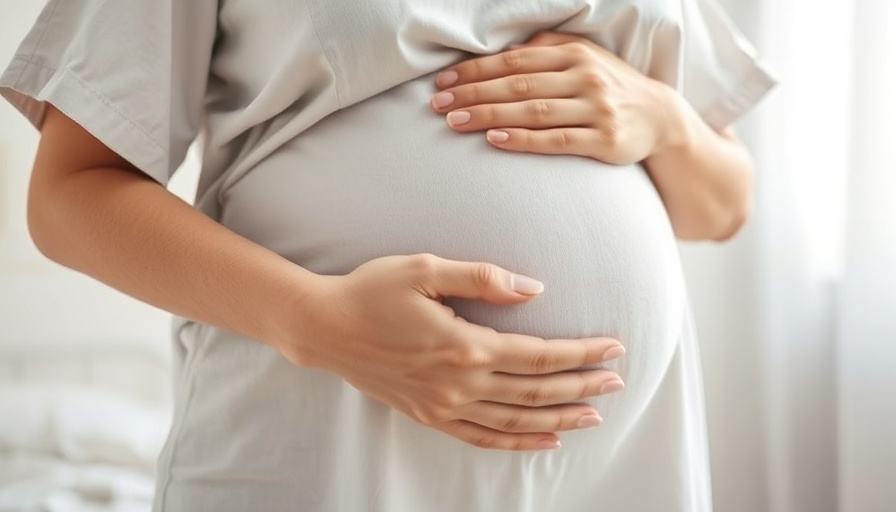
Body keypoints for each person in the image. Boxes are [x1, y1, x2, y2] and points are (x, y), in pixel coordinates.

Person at [1, 0, 774, 510]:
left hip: (616, 472)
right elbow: (69, 197)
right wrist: (316, 320)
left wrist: (667, 121)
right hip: (325, 445)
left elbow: (723, 204)